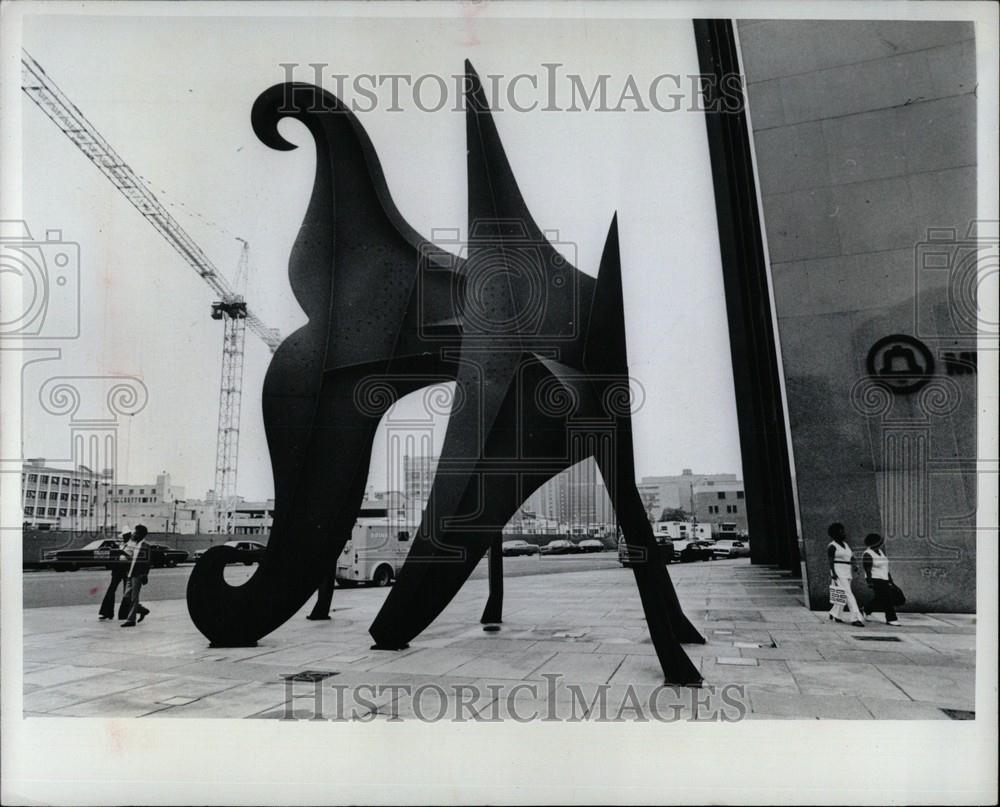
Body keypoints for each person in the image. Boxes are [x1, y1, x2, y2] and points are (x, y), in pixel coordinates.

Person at [827, 522, 865, 627]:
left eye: (843, 531)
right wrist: (833, 574)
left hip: (847, 570)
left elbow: (851, 557)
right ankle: (856, 618)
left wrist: (855, 565)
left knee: (842, 594)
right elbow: (830, 561)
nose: (843, 533)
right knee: (849, 595)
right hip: (838, 571)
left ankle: (835, 613)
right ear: (835, 533)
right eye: (840, 531)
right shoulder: (832, 546)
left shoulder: (846, 545)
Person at [863, 533, 900, 626]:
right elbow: (867, 568)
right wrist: (869, 581)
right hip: (876, 579)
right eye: (879, 542)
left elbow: (885, 567)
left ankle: (866, 609)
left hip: (885, 578)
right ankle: (891, 618)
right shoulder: (868, 554)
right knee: (887, 598)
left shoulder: (881, 552)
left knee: (880, 598)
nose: (881, 543)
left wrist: (890, 580)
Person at [121, 524, 151, 627]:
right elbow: (131, 558)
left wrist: (145, 574)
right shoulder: (134, 544)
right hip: (130, 573)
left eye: (136, 533)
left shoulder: (145, 546)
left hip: (138, 574)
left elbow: (147, 562)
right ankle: (142, 610)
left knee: (134, 597)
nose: (134, 534)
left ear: (141, 534)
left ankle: (131, 620)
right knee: (126, 597)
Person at [98, 530, 132, 621]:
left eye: (126, 535)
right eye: (124, 536)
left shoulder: (132, 545)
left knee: (126, 591)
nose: (124, 537)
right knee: (111, 589)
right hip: (119, 568)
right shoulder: (122, 544)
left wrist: (123, 553)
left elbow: (132, 557)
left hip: (127, 568)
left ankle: (124, 614)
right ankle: (107, 612)